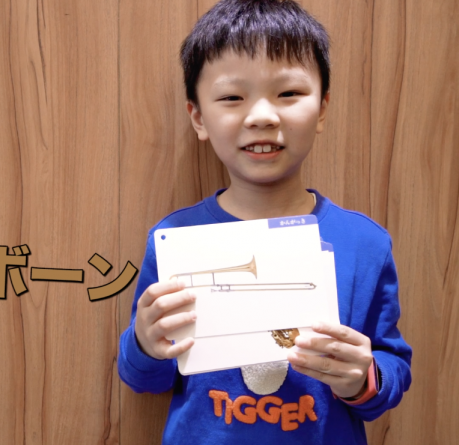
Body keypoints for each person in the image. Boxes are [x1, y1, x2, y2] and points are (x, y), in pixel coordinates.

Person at [117, 0, 412, 443]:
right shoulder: (174, 238)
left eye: (288, 94)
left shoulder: (366, 243)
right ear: (198, 117)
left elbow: (392, 368)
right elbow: (145, 379)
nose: (262, 116)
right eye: (232, 98)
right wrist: (144, 343)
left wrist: (363, 377)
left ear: (322, 109)